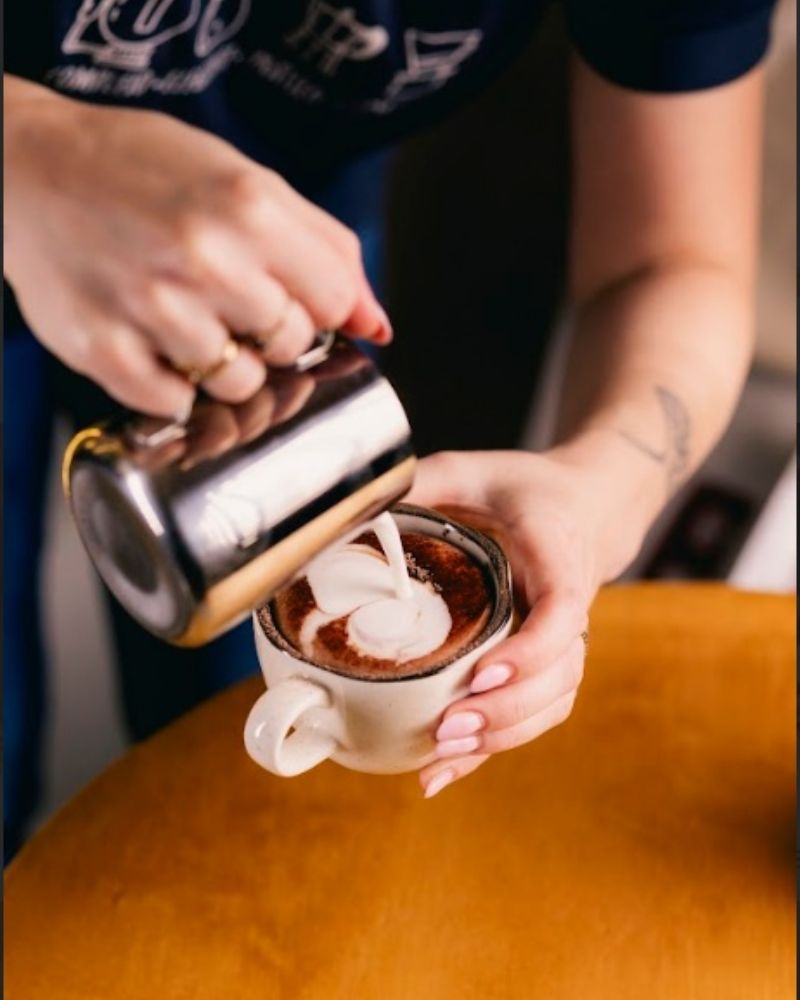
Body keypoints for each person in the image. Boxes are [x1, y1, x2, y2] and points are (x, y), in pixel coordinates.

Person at [4, 1, 777, 854]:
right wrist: (27, 144)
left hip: (292, 276)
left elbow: (673, 259)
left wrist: (600, 489)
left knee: (235, 753)